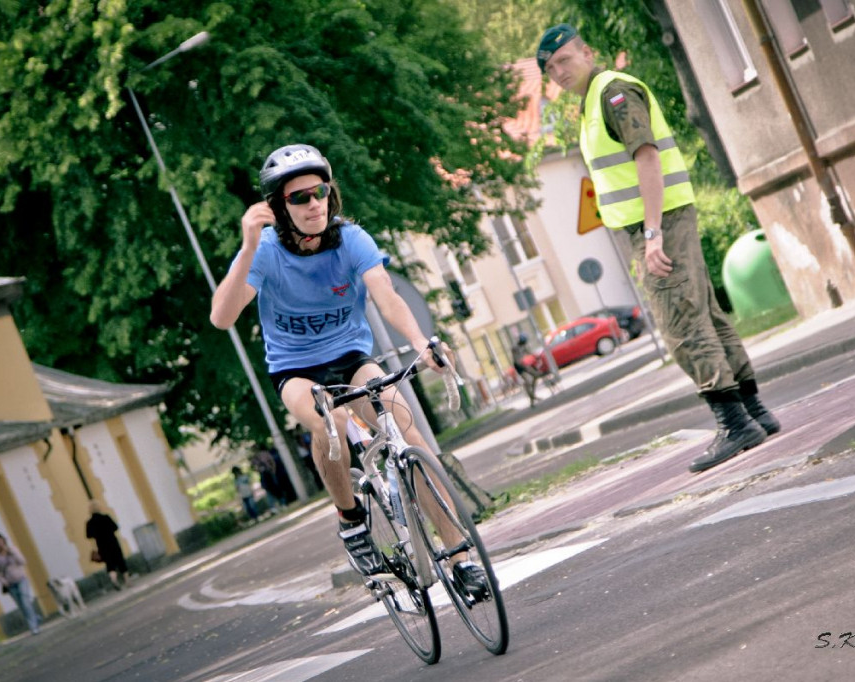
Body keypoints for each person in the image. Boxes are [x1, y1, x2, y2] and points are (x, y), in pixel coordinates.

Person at [210, 144, 487, 598]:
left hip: (352, 359)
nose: (313, 202)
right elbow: (222, 318)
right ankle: (351, 519)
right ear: (280, 207)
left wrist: (422, 343)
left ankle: (460, 557)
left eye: (318, 192)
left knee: (405, 430)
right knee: (331, 423)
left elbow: (386, 295)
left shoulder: (352, 238)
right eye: (299, 197)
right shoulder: (264, 252)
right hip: (296, 370)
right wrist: (245, 246)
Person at [537, 24, 780, 473]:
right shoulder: (592, 102)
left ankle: (734, 422)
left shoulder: (613, 93)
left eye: (564, 60)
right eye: (550, 68)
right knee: (704, 313)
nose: (558, 72)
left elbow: (646, 156)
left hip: (660, 220)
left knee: (680, 322)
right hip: (663, 218)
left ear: (587, 53)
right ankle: (754, 412)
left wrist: (652, 235)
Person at [0, 532, 40, 635]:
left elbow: (22, 562)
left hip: (21, 579)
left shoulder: (13, 549)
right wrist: (3, 582)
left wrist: (12, 552)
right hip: (10, 584)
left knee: (25, 602)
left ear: (3, 539)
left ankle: (33, 627)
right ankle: (35, 618)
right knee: (21, 605)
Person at [86, 501, 131, 590]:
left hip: (102, 546)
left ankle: (114, 579)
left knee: (110, 564)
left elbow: (88, 535)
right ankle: (127, 581)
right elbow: (115, 527)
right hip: (113, 542)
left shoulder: (90, 522)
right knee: (120, 561)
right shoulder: (106, 517)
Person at [510, 333, 545, 406]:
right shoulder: (515, 347)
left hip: (523, 364)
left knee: (536, 375)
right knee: (528, 381)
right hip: (519, 365)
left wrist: (536, 357)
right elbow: (517, 355)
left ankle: (532, 396)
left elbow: (529, 352)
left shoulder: (523, 347)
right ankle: (531, 395)